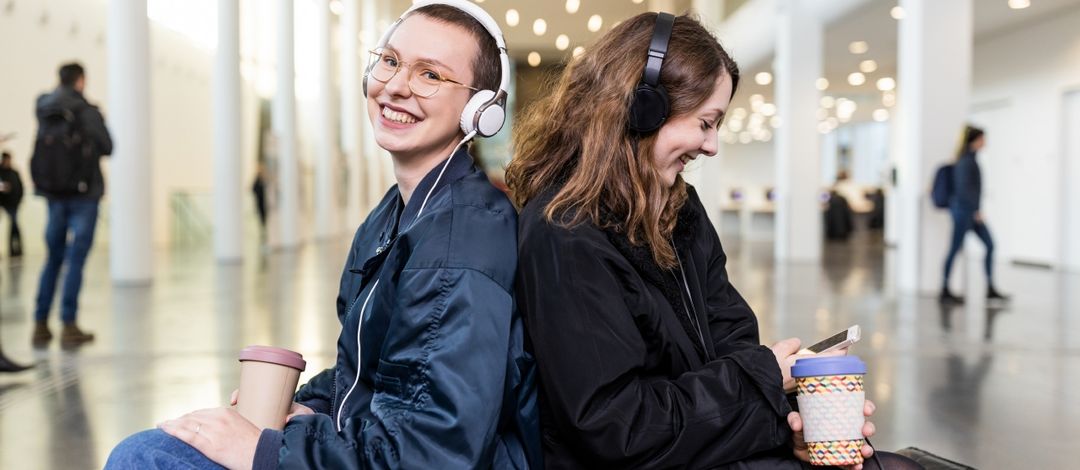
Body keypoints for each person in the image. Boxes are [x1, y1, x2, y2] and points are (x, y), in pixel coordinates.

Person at [106, 1, 539, 469]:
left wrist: (267, 450)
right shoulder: (396, 214)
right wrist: (308, 406)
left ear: (481, 111)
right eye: (390, 61)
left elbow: (434, 452)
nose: (395, 86)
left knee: (144, 458)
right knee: (162, 446)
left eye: (430, 75)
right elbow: (366, 376)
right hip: (365, 440)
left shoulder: (460, 241)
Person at [506, 13, 920, 469]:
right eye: (706, 122)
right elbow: (618, 428)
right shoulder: (565, 234)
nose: (712, 146)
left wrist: (792, 424)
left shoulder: (679, 207)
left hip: (700, 447)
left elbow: (732, 336)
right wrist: (763, 379)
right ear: (644, 108)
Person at [31, 62, 112, 347]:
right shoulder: (86, 111)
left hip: (53, 195)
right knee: (75, 259)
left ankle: (40, 324)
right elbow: (108, 146)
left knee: (52, 258)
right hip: (83, 195)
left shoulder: (43, 106)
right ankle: (68, 325)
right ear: (80, 81)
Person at [940, 126, 1009, 305]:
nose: (985, 142)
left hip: (970, 212)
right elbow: (964, 191)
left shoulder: (970, 159)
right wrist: (975, 211)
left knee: (990, 245)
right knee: (955, 249)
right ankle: (945, 289)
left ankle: (990, 288)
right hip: (964, 213)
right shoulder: (965, 161)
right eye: (983, 139)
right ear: (975, 140)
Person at [0, 151, 25, 257]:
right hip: (1, 202)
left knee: (14, 226)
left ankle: (15, 250)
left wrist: (18, 200)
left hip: (12, 203)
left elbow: (20, 187)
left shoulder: (14, 173)